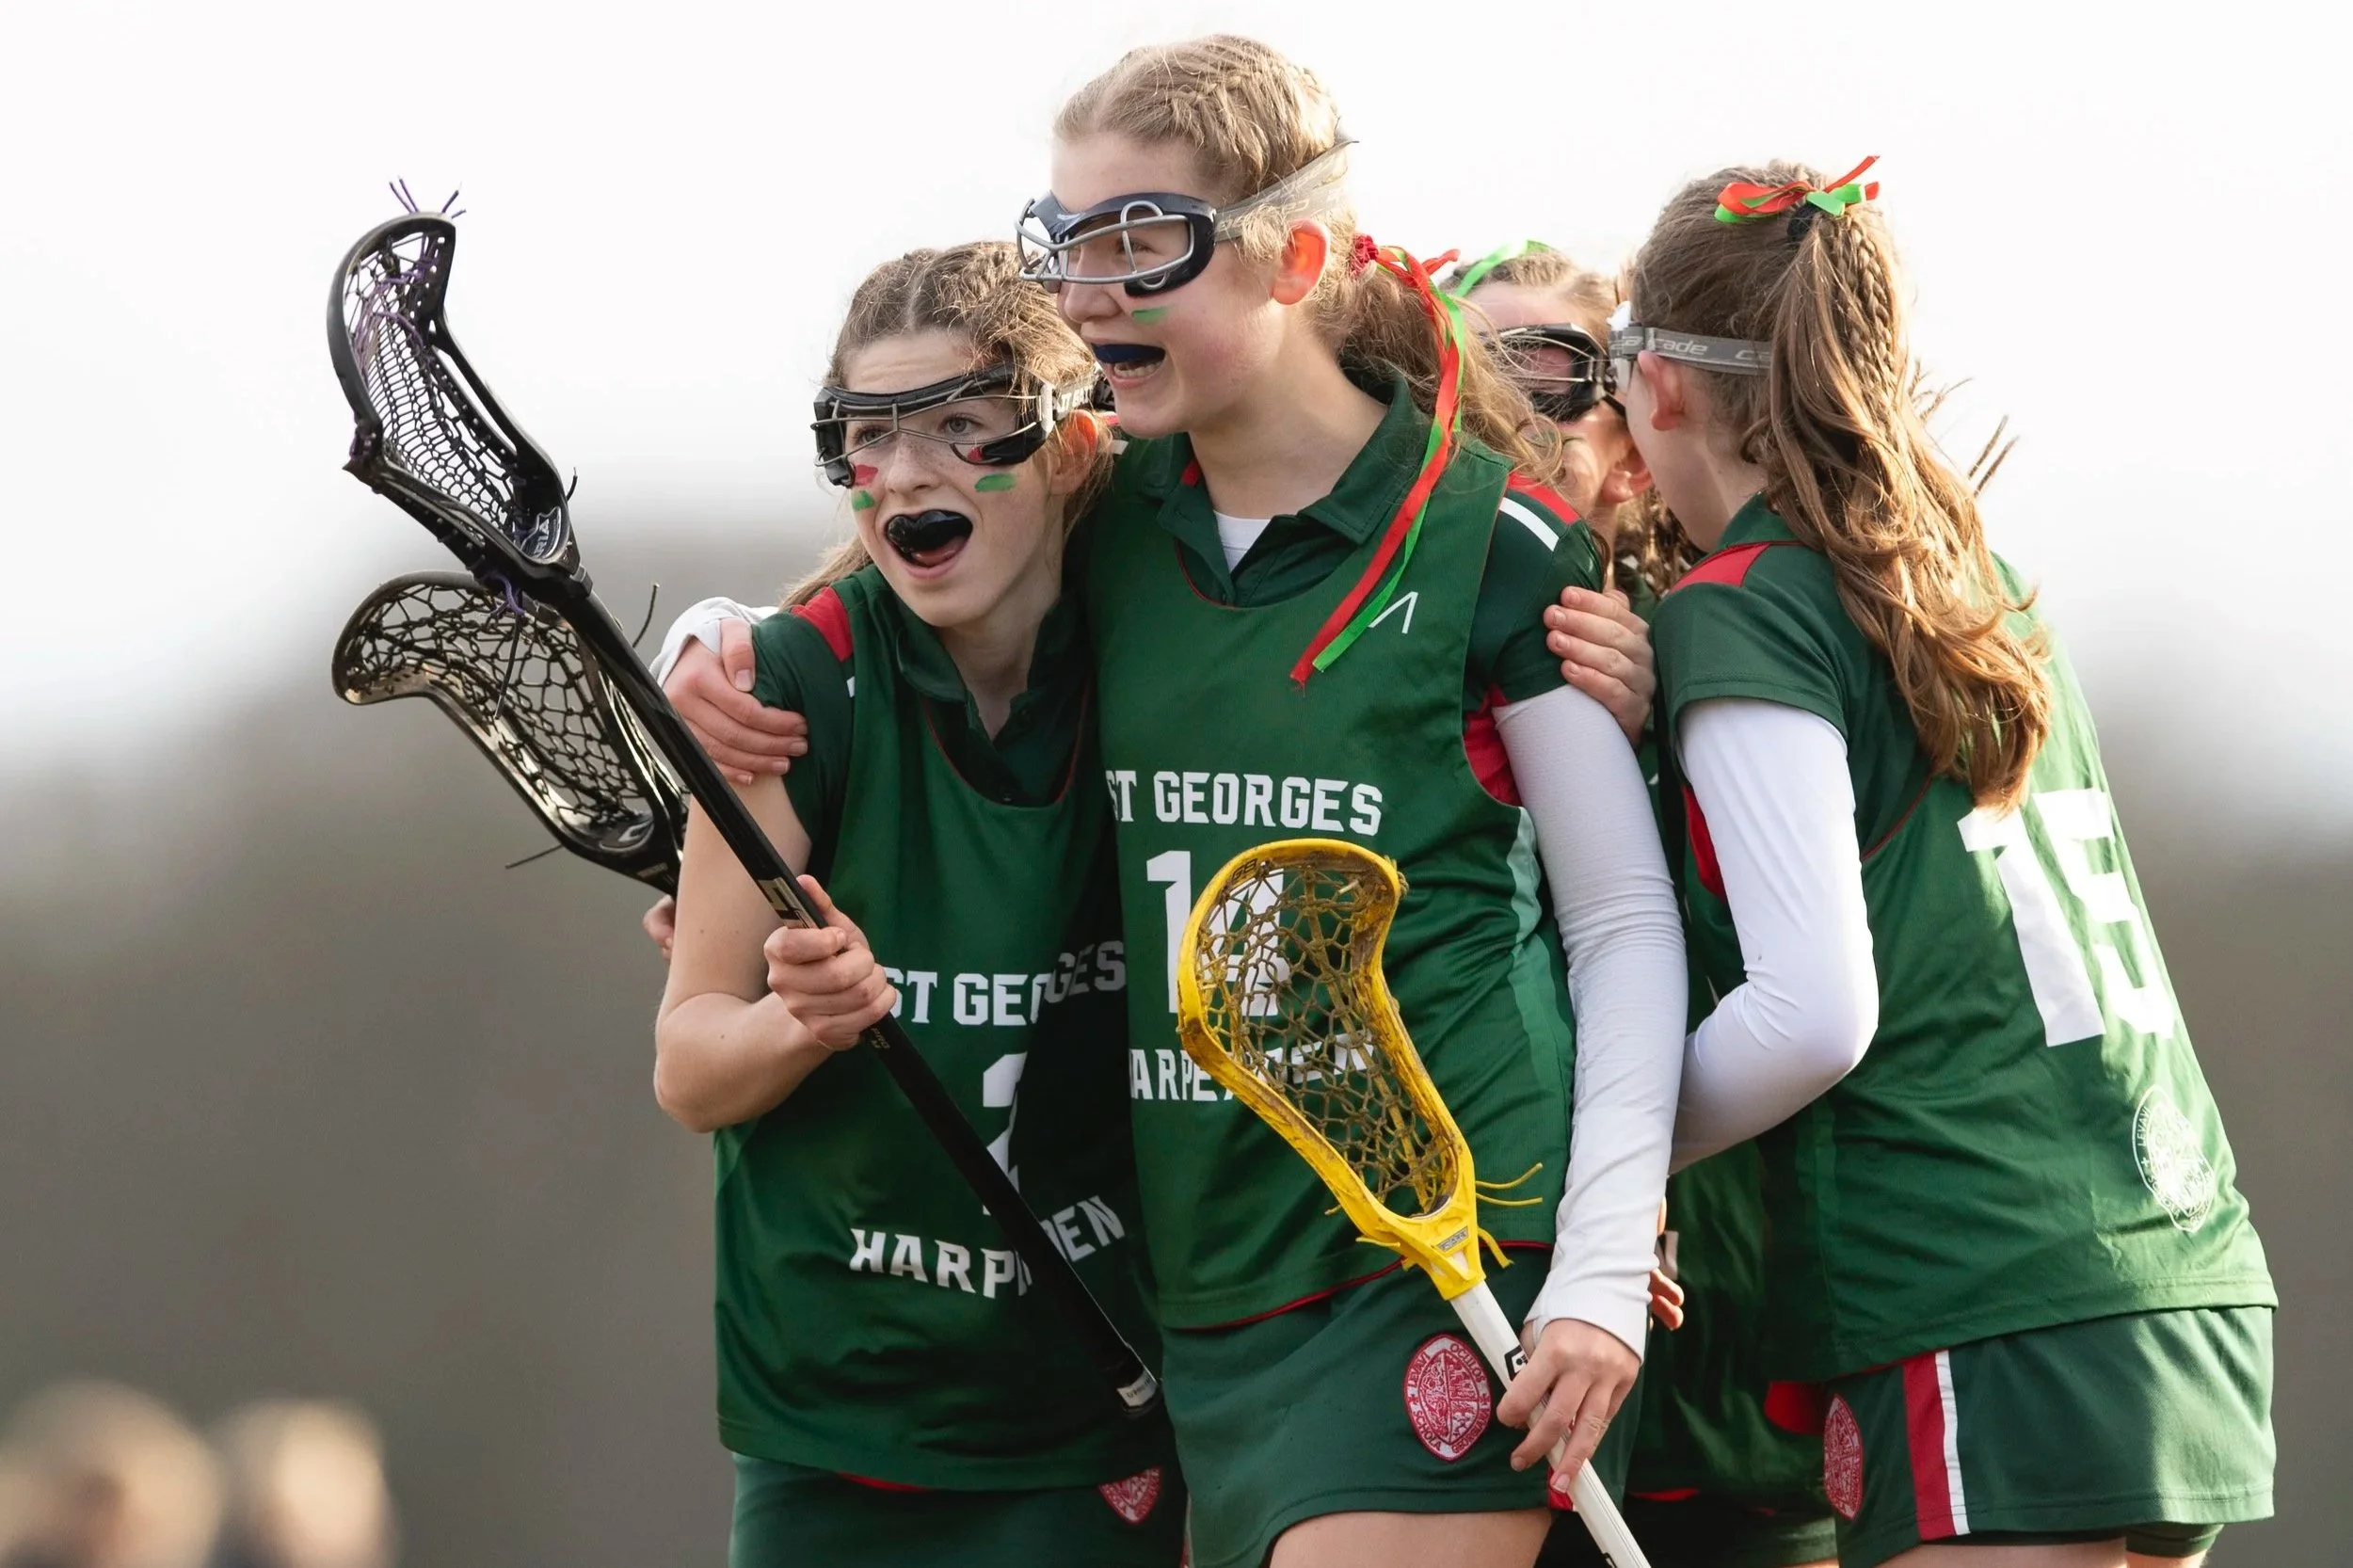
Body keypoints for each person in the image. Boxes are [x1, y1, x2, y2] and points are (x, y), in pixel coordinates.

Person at [1014, 37, 1687, 1568]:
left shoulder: (1496, 546)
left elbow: (1627, 926)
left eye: (1141, 243)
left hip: (1446, 1256)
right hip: (1203, 1279)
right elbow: (868, 608)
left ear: (1293, 256)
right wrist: (708, 629)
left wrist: (1589, 1273)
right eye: (1062, 242)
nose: (1086, 294)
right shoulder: (1101, 515)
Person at [1625, 160, 2275, 1568]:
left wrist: (1607, 1157)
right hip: (2177, 1265)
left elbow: (1812, 1010)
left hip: (1978, 1276)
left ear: (1661, 382)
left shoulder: (1741, 606)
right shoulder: (1980, 582)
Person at [652, 240, 1182, 1567]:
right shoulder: (788, 685)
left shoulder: (1166, 642)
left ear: (1066, 443)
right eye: (866, 436)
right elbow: (689, 1060)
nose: (905, 473)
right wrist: (800, 1024)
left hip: (1097, 1406)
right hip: (843, 1424)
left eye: (962, 426)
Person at [1452, 242, 1835, 1568]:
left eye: (1547, 378)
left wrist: (1661, 714)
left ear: (1631, 435)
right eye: (1457, 372)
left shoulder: (1734, 641)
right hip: (1488, 1350)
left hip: (1725, 1381)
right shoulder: (1367, 652)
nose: (1494, 417)